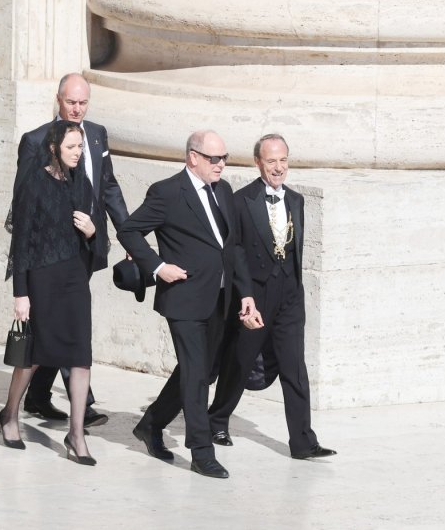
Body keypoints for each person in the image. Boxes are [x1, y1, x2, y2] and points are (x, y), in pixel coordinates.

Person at [117, 130, 258, 479]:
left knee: (201, 371)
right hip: (184, 298)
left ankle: (151, 424)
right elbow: (129, 230)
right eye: (214, 158)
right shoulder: (167, 192)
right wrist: (158, 267)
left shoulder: (222, 191)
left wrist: (246, 293)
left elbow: (232, 248)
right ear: (193, 157)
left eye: (224, 158)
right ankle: (202, 452)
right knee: (196, 375)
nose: (221, 164)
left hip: (220, 298)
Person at [10, 72, 128, 427]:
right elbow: (22, 204)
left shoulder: (97, 134)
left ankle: (38, 395)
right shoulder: (36, 140)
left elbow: (108, 186)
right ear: (58, 100)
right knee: (58, 325)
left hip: (85, 245)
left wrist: (127, 235)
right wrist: (21, 283)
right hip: (48, 254)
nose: (77, 108)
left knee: (62, 324)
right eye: (71, 102)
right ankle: (81, 406)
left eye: (83, 102)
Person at [208, 134, 336, 460]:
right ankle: (217, 419)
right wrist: (245, 295)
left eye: (283, 160)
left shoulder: (297, 200)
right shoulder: (241, 201)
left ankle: (303, 442)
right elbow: (235, 251)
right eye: (271, 161)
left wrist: (295, 290)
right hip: (256, 295)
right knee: (241, 360)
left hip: (290, 296)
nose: (278, 168)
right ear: (258, 163)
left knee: (295, 368)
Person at [0, 120, 98, 465]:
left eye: (80, 147)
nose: (77, 153)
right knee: (33, 355)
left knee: (80, 355)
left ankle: (76, 434)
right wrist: (21, 293)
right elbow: (21, 241)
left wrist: (92, 231)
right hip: (41, 279)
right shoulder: (34, 182)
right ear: (54, 148)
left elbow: (93, 234)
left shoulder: (81, 182)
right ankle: (10, 414)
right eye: (71, 147)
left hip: (75, 278)